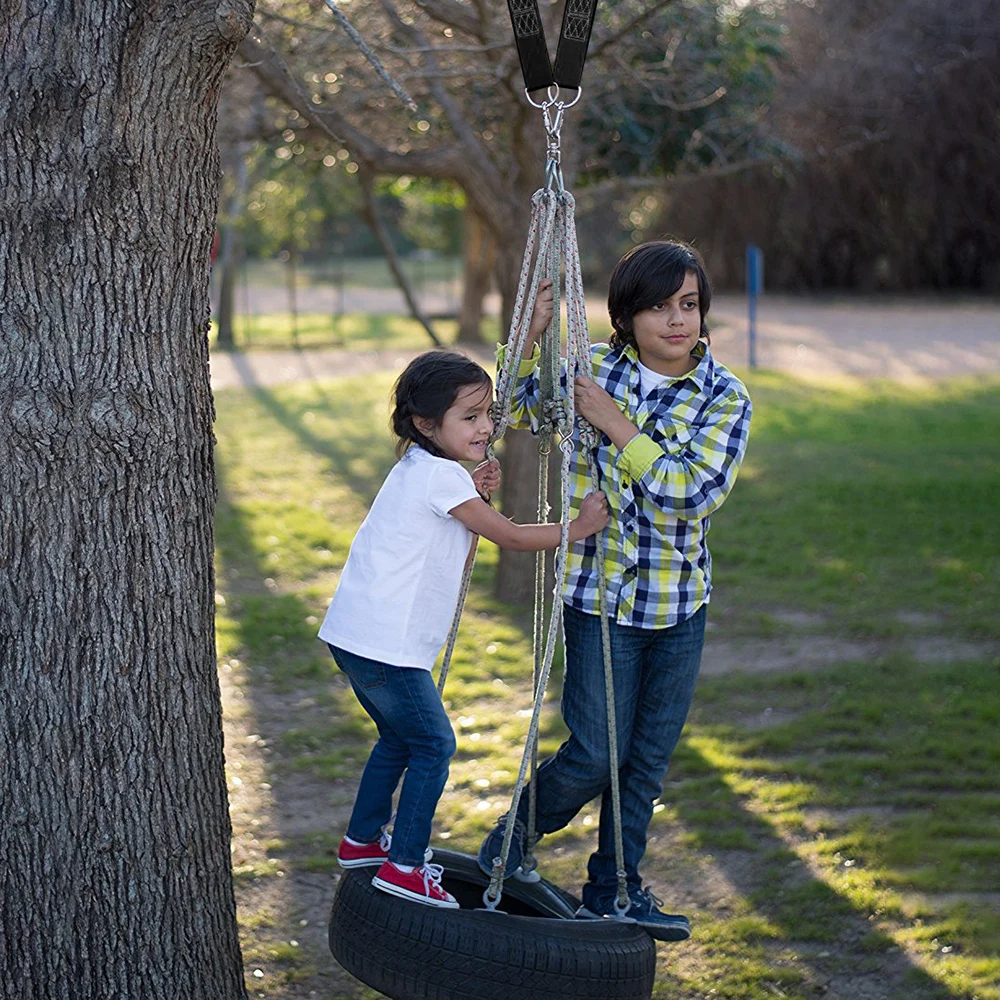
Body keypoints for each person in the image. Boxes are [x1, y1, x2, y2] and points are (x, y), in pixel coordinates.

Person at [478, 240, 752, 940]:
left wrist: (614, 424)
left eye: (687, 304)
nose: (676, 320)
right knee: (597, 752)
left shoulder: (724, 397)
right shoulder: (589, 372)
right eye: (658, 307)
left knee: (646, 764)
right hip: (598, 600)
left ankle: (614, 891)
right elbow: (506, 415)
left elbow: (691, 494)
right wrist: (531, 338)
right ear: (626, 318)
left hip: (677, 604)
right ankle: (510, 843)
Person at [319, 350, 609, 909]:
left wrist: (477, 492)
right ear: (427, 425)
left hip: (355, 638)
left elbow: (462, 534)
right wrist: (580, 526)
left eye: (488, 414)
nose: (485, 428)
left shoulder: (420, 470)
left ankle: (361, 841)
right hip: (387, 647)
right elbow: (510, 537)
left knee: (400, 739)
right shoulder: (439, 477)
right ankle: (404, 866)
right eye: (470, 418)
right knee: (434, 744)